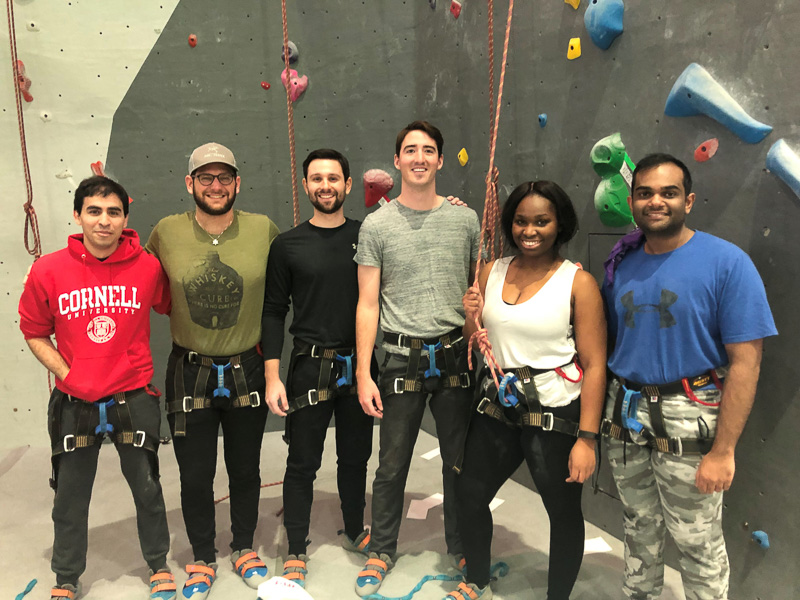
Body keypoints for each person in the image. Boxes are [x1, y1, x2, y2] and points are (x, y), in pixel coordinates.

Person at [601, 153, 777, 600]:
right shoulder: (621, 262)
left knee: (697, 540)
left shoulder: (726, 264)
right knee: (638, 528)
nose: (655, 201)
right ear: (632, 200)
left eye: (668, 193)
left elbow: (746, 363)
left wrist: (724, 451)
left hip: (690, 416)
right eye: (645, 193)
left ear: (689, 200)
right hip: (626, 416)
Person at [19, 176, 176, 600]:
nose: (103, 221)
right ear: (77, 215)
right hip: (75, 401)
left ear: (125, 218)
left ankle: (158, 563)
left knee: (147, 487)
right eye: (94, 211)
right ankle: (66, 577)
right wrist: (67, 375)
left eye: (113, 212)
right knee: (70, 496)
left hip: (134, 396)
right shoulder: (48, 270)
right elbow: (33, 331)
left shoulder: (147, 266)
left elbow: (172, 305)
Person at [454, 180, 607, 600]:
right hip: (499, 407)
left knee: (561, 511)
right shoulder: (492, 270)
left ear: (560, 225)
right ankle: (477, 581)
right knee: (469, 494)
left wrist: (587, 440)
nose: (530, 230)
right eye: (521, 221)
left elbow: (594, 367)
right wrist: (471, 314)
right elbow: (478, 338)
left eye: (542, 221)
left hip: (554, 411)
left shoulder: (578, 283)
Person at [146, 143, 280, 600]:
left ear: (237, 183)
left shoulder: (263, 229)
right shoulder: (166, 232)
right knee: (194, 473)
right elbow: (130, 273)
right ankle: (203, 556)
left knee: (246, 469)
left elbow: (297, 272)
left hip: (248, 366)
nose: (216, 186)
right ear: (190, 184)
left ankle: (243, 547)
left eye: (224, 177)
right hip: (189, 370)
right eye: (206, 178)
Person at [353, 120, 481, 597]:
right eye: (411, 150)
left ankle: (464, 544)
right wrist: (365, 372)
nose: (420, 158)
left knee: (459, 462)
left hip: (452, 357)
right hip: (400, 359)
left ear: (441, 160)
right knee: (391, 465)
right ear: (397, 160)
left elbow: (474, 291)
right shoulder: (377, 225)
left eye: (429, 150)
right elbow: (367, 303)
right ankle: (381, 549)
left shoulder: (464, 220)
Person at [261, 148, 376, 587]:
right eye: (316, 178)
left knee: (356, 457)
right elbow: (273, 311)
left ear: (348, 185)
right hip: (310, 367)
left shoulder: (367, 236)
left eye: (333, 178)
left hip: (360, 364)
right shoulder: (287, 245)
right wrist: (273, 375)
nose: (325, 185)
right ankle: (294, 548)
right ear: (306, 186)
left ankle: (353, 528)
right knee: (302, 461)